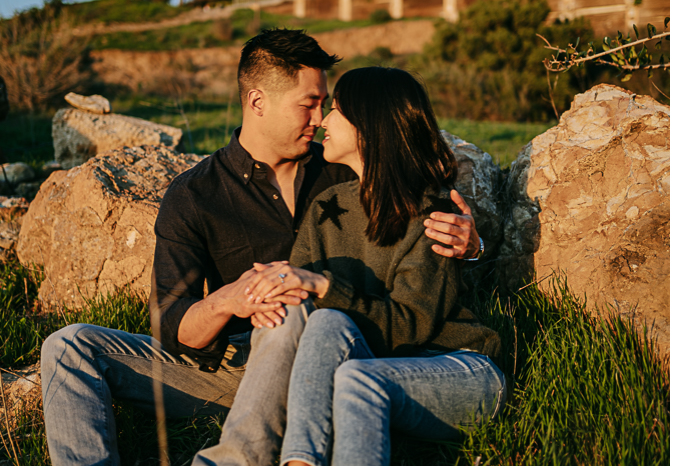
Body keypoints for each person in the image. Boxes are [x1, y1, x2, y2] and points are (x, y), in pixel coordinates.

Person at [40, 30, 481, 466]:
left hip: (327, 351)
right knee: (68, 345)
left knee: (289, 306)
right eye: (309, 104)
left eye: (326, 105)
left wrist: (472, 244)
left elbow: (405, 175)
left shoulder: (339, 168)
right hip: (233, 369)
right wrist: (232, 299)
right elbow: (172, 327)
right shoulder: (196, 193)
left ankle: (234, 461)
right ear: (257, 103)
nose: (319, 118)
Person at [193, 66, 504, 467]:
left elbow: (411, 328)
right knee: (330, 335)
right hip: (374, 367)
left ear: (370, 124)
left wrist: (323, 286)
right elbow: (309, 315)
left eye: (337, 109)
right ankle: (298, 464)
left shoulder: (433, 216)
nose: (322, 120)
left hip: (457, 367)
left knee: (356, 372)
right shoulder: (328, 206)